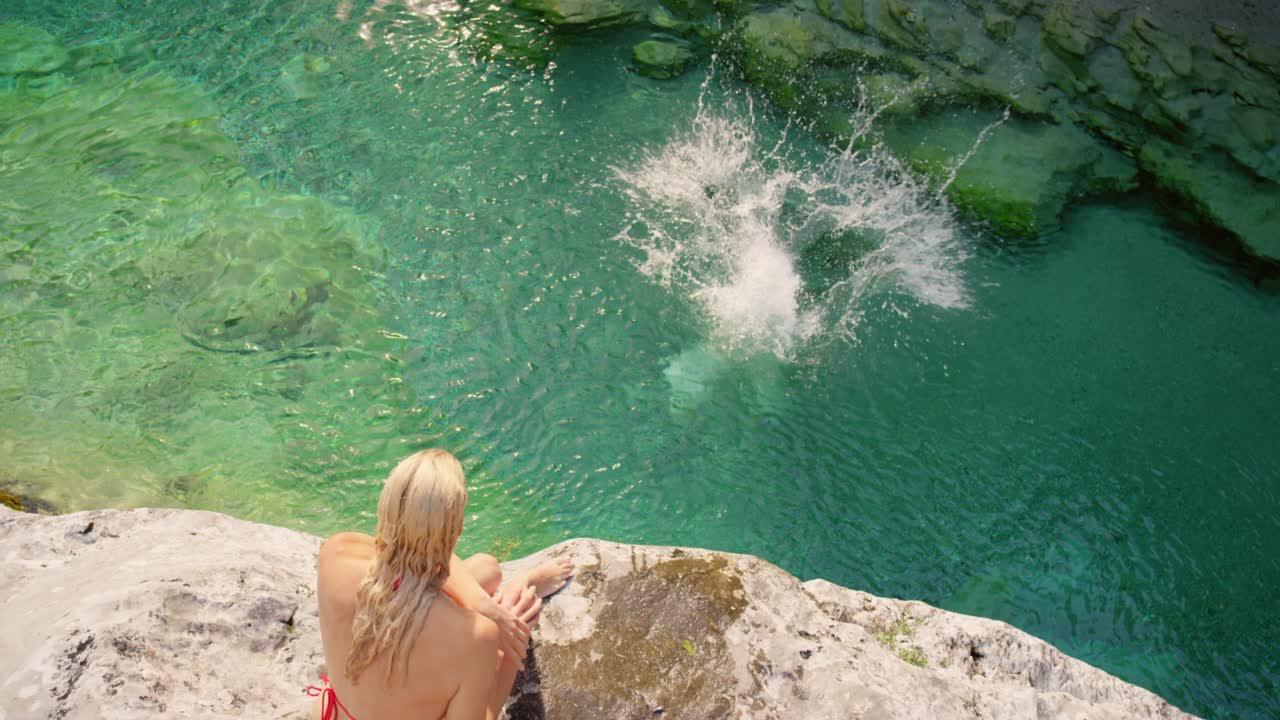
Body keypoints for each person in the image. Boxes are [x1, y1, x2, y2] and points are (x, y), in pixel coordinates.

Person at [313, 449, 574, 720]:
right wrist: (511, 652)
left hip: (335, 714)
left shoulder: (337, 553)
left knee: (486, 568)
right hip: (448, 634)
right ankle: (518, 587)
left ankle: (498, 592)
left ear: (386, 506)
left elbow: (406, 556)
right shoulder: (476, 638)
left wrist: (481, 604)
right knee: (483, 590)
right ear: (458, 529)